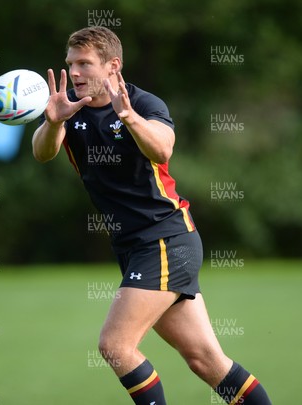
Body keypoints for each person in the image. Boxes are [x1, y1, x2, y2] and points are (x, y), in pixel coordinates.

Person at [32, 26, 271, 405]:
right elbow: (43, 153)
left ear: (113, 66)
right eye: (70, 64)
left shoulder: (143, 103)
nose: (74, 73)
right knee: (206, 361)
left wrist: (128, 118)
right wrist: (54, 121)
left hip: (165, 239)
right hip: (137, 248)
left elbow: (162, 150)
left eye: (84, 64)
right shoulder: (68, 111)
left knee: (115, 345)